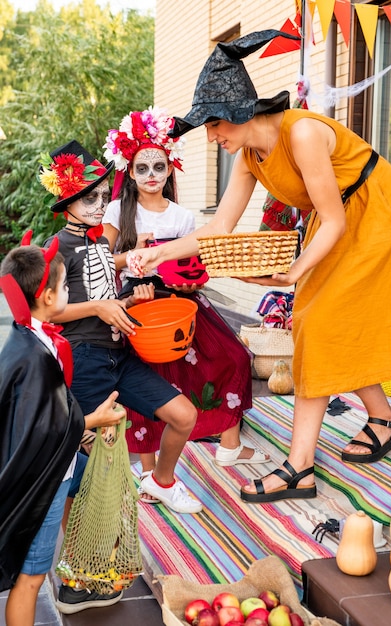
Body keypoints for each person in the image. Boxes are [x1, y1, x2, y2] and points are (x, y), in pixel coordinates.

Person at [126, 29, 391, 503]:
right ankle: (384, 421)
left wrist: (295, 272)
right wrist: (160, 252)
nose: (212, 136)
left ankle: (300, 467)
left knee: (318, 321)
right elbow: (219, 226)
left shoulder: (300, 133)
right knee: (323, 323)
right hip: (336, 218)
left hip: (375, 211)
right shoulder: (248, 158)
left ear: (242, 112)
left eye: (216, 125)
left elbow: (338, 219)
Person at [38, 139, 203, 610]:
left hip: (120, 353)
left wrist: (131, 302)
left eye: (100, 195)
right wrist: (101, 307)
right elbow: (48, 312)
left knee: (184, 414)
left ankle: (161, 482)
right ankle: (75, 576)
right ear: (67, 202)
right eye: (89, 198)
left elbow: (107, 299)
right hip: (87, 361)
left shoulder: (95, 243)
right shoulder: (57, 249)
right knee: (87, 469)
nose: (99, 204)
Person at [102, 107, 269, 495]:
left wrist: (191, 283)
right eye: (142, 169)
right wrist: (133, 255)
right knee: (149, 380)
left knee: (232, 356)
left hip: (180, 300)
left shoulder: (182, 216)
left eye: (158, 167)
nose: (151, 177)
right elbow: (102, 260)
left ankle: (229, 446)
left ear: (169, 169)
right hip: (136, 303)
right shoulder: (117, 211)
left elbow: (193, 264)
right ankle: (148, 470)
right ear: (129, 171)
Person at [0, 239, 127, 626]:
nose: (71, 293)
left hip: (59, 467)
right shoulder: (35, 356)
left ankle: (86, 572)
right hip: (46, 479)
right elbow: (46, 427)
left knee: (92, 478)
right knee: (31, 577)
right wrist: (93, 421)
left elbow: (45, 413)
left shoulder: (30, 339)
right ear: (49, 295)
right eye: (66, 287)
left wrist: (82, 427)